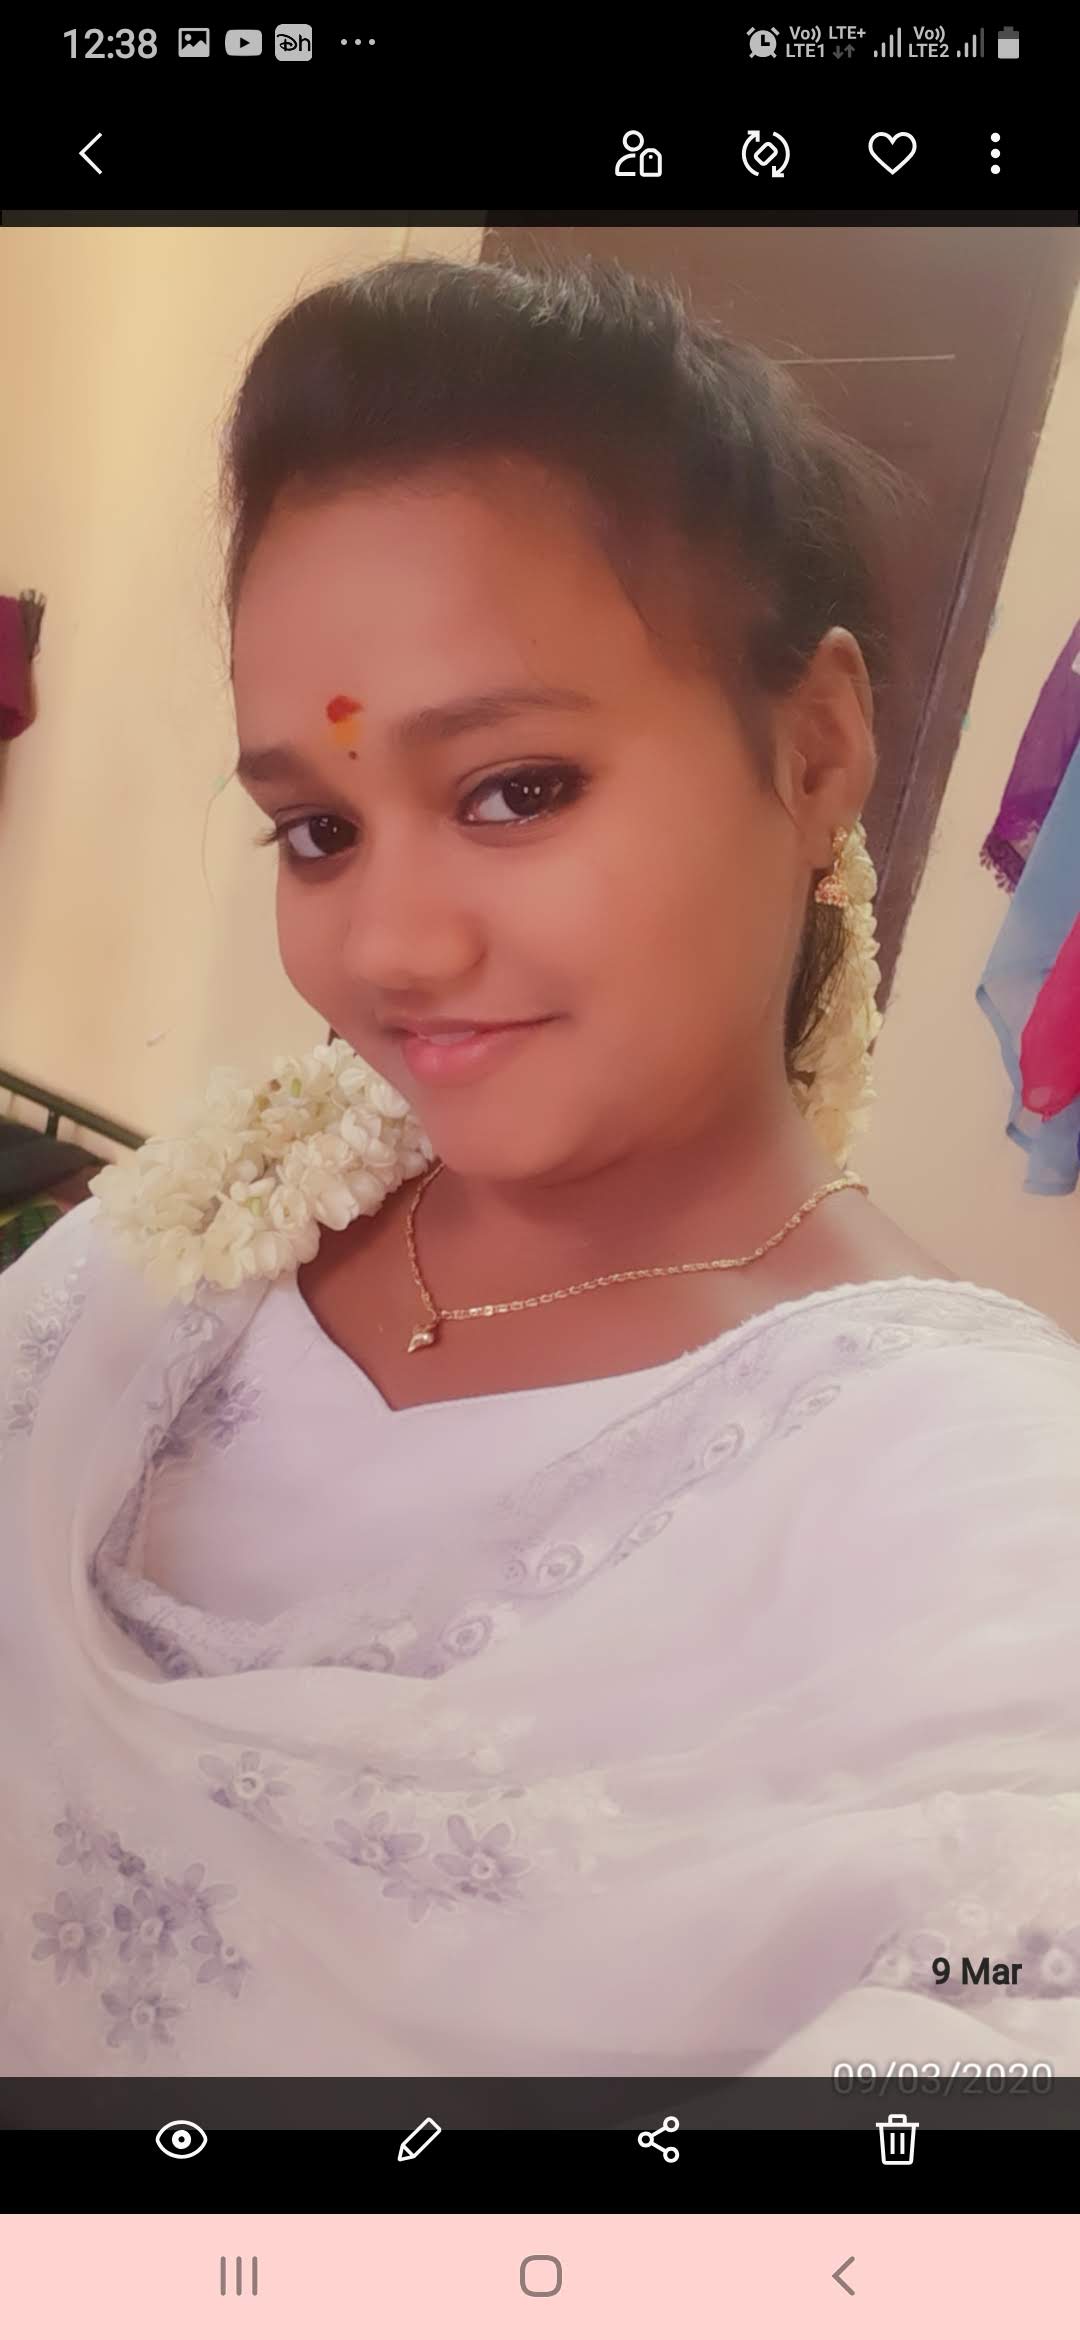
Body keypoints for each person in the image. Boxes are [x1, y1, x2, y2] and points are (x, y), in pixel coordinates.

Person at [2, 253, 1079, 2082]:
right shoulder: (181, 1253)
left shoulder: (975, 1491)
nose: (391, 948)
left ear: (815, 750)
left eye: (517, 789)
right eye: (317, 829)